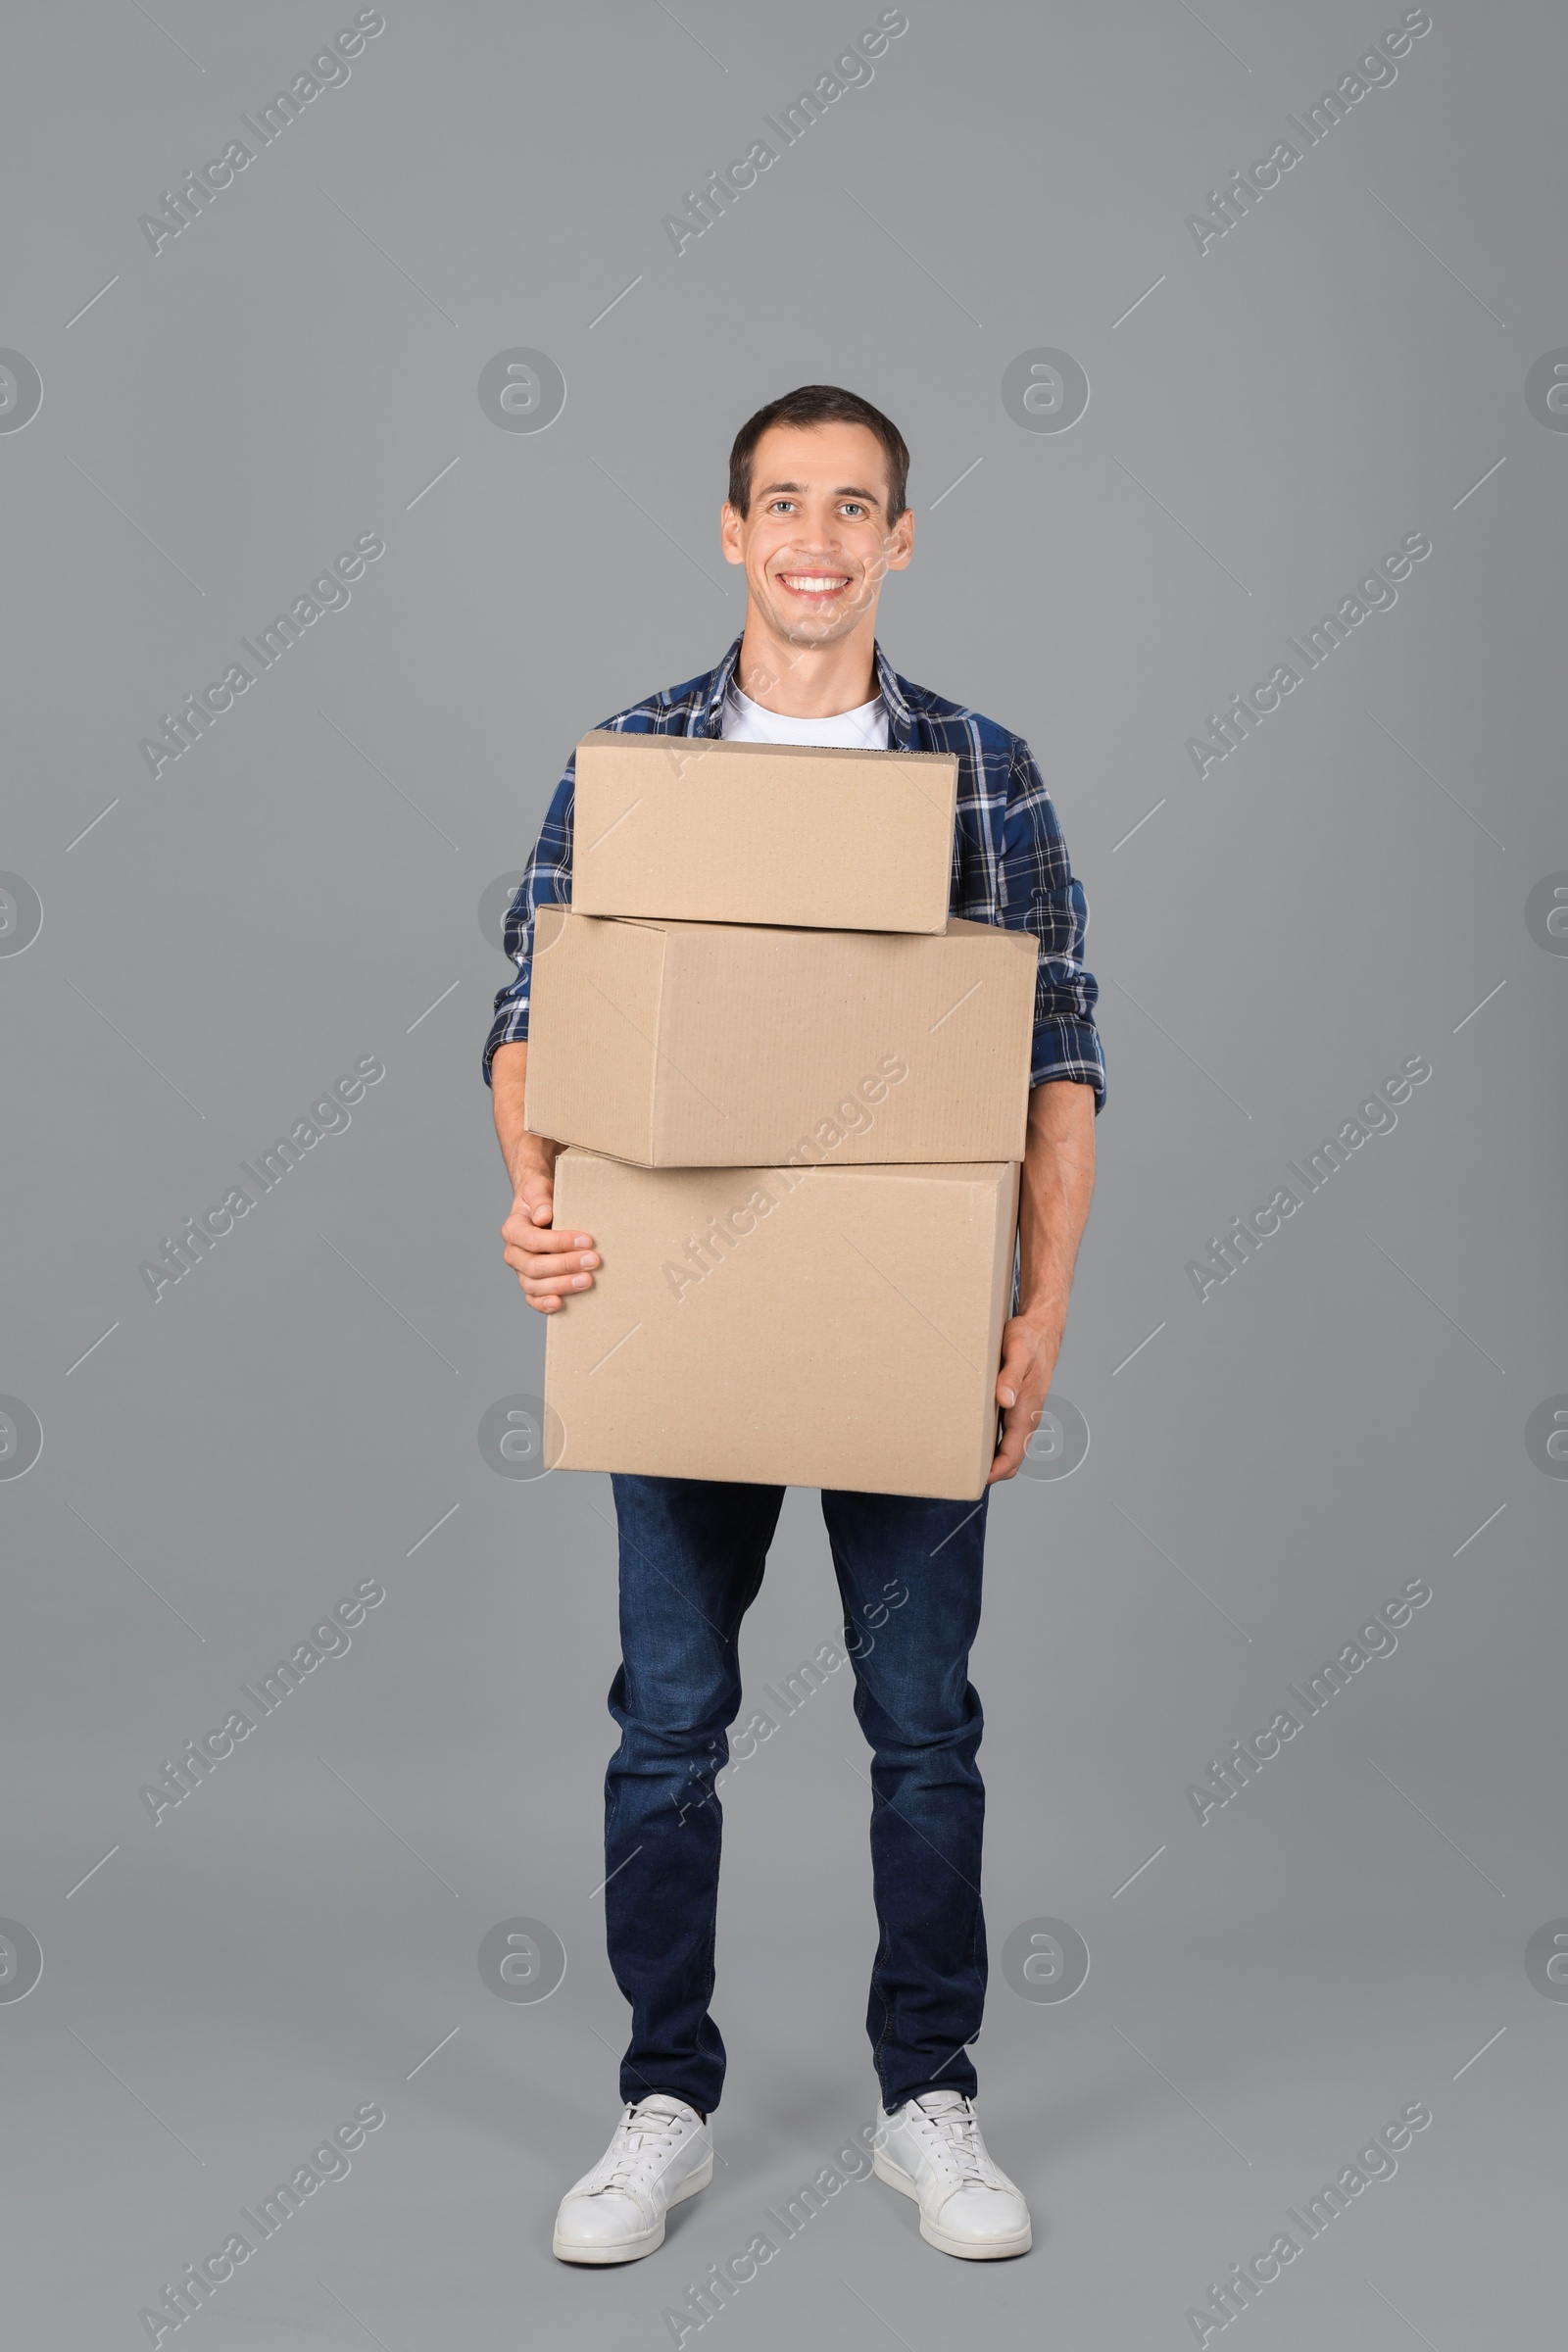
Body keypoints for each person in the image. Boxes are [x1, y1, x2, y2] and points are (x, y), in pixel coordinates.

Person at [484, 384, 1102, 2266]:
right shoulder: (645, 758)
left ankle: (932, 2096)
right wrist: (533, 1195)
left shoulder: (980, 768)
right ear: (731, 530)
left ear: (900, 539)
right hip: (683, 1316)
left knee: (924, 1728)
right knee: (669, 1726)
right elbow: (533, 1008)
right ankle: (661, 2097)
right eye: (782, 504)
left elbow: (1057, 1057)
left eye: (854, 507)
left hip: (899, 1326)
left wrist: (1038, 1315)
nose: (815, 538)